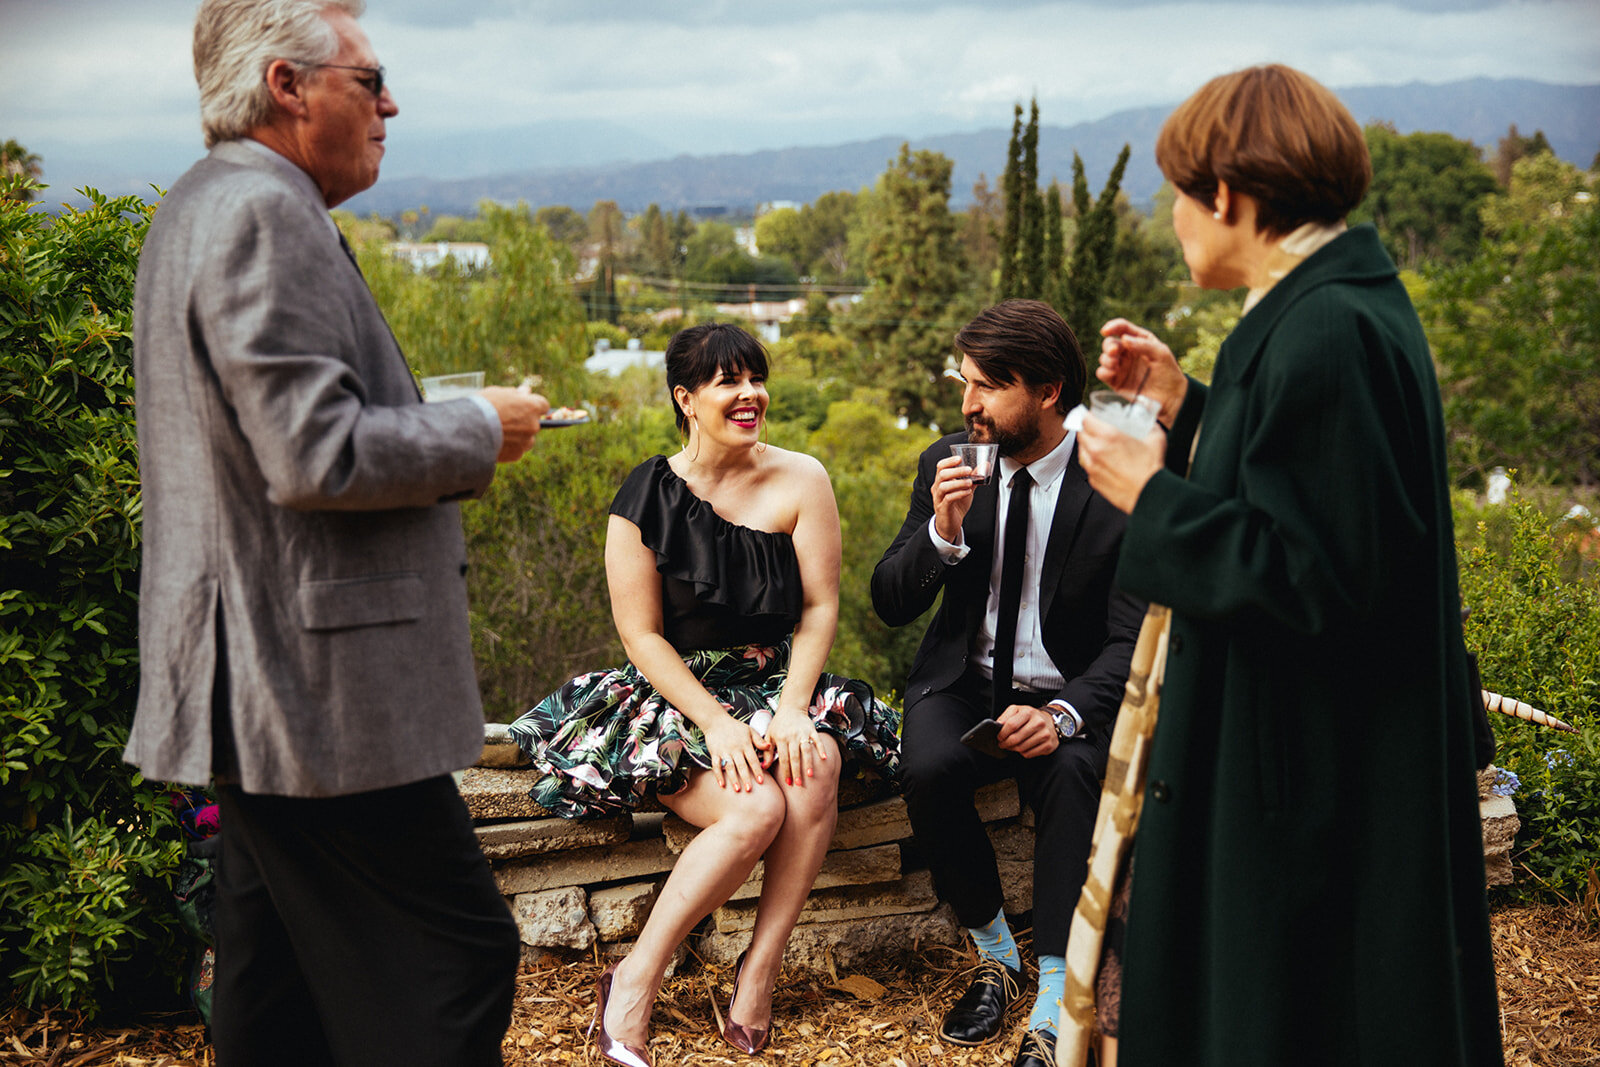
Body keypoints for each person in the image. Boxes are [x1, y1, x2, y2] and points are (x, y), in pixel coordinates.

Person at [124, 1, 550, 1063]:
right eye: (369, 80)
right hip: (319, 698)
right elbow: (312, 452)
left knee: (274, 985)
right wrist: (475, 428)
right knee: (456, 956)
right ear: (286, 85)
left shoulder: (201, 204)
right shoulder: (265, 213)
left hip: (253, 681)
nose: (390, 102)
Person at [1075, 64, 1503, 1066]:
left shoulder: (1322, 332)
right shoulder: (1338, 305)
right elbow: (1317, 489)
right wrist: (1192, 406)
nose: (1173, 217)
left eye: (1178, 193)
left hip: (1306, 789)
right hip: (1322, 761)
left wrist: (1150, 495)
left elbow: (1319, 579)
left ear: (1227, 195)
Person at [508, 323, 899, 1067]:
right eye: (728, 381)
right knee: (755, 806)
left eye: (755, 377)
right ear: (687, 398)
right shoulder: (644, 495)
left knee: (812, 764)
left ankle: (760, 968)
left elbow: (819, 608)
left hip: (779, 682)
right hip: (678, 694)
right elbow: (641, 635)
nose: (749, 394)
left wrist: (789, 707)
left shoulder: (802, 478)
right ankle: (634, 977)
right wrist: (716, 722)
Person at [871, 300, 1143, 1067]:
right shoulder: (948, 461)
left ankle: (1056, 993)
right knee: (924, 764)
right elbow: (889, 600)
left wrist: (1062, 713)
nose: (968, 406)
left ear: (1049, 390)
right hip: (965, 681)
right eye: (966, 384)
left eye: (988, 387)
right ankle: (997, 952)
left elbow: (1132, 638)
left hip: (1071, 687)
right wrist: (941, 532)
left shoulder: (1112, 480)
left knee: (1072, 774)